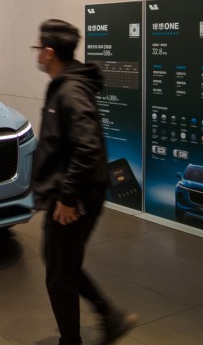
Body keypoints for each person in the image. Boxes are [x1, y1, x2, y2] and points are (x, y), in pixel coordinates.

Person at [31, 19, 137, 345]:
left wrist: (67, 197)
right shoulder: (64, 85)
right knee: (61, 265)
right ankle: (109, 316)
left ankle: (75, 338)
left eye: (38, 48)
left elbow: (88, 148)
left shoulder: (71, 91)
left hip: (73, 200)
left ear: (49, 53)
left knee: (59, 275)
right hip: (70, 194)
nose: (36, 54)